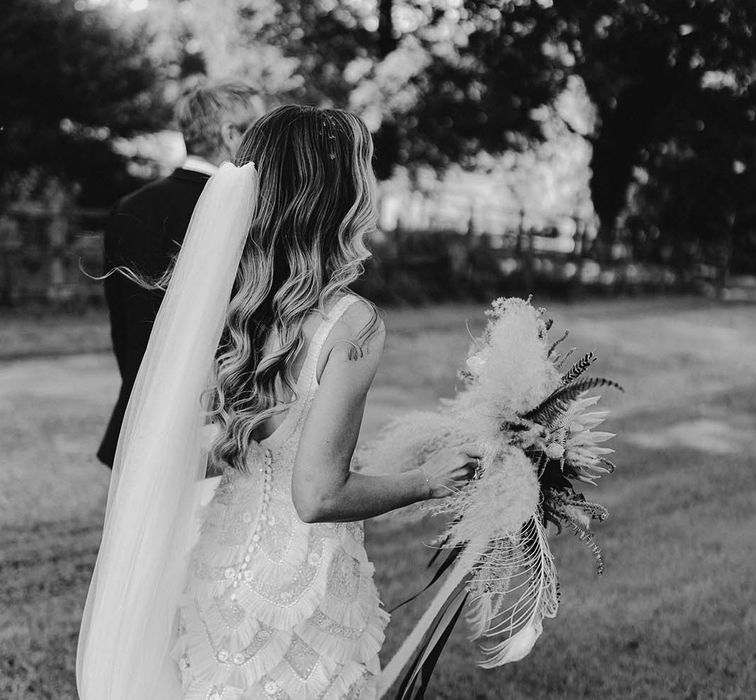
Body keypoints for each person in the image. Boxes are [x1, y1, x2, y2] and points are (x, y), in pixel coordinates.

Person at [77, 105, 481, 700]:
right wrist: (429, 480)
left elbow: (214, 450)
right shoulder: (352, 324)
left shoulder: (224, 300)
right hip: (299, 591)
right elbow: (318, 495)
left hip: (220, 570)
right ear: (340, 196)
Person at [97, 81, 264, 467]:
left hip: (141, 422)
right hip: (219, 433)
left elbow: (123, 327)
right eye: (258, 129)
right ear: (230, 133)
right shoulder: (249, 211)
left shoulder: (129, 207)